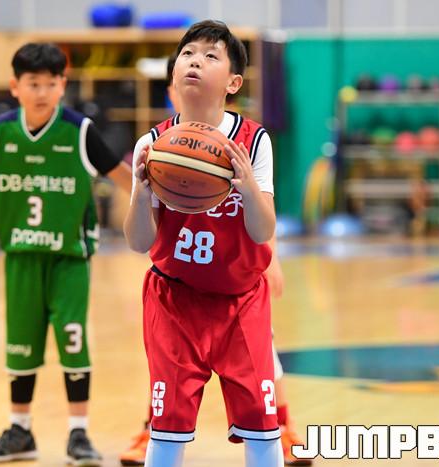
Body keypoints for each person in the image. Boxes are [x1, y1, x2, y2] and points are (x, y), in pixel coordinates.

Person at [119, 52, 310, 467]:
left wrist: (248, 190)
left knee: (262, 424)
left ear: (233, 81)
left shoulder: (253, 141)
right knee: (167, 427)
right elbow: (138, 242)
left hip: (240, 298)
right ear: (173, 76)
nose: (195, 61)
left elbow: (263, 229)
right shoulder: (153, 145)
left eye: (210, 55)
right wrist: (141, 192)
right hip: (174, 297)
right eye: (187, 54)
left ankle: (287, 424)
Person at [0, 42, 131, 465]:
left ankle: (78, 432)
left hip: (69, 258)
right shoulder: (1, 131)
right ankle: (19, 429)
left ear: (63, 85)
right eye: (33, 83)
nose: (42, 92)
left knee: (73, 340)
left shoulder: (79, 130)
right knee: (20, 344)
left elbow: (122, 177)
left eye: (50, 83)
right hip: (21, 254)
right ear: (15, 86)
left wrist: (159, 203)